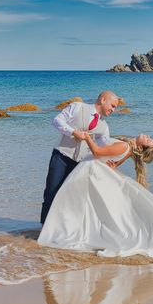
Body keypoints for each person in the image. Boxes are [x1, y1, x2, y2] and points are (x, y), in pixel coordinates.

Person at [38, 133, 153, 261]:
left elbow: (97, 152)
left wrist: (86, 136)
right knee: (81, 210)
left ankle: (54, 232)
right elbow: (109, 161)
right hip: (90, 173)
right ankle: (57, 230)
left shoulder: (123, 147)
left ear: (142, 146)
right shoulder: (126, 148)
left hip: (87, 173)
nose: (147, 136)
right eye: (150, 138)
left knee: (74, 208)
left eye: (149, 140)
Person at [40, 90, 120, 224]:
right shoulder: (78, 107)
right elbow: (57, 120)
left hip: (81, 164)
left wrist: (112, 162)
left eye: (115, 108)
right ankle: (44, 228)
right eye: (112, 106)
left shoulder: (104, 127)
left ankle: (62, 228)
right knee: (51, 192)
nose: (113, 110)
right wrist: (73, 132)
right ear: (103, 100)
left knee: (72, 197)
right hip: (61, 156)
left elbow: (103, 148)